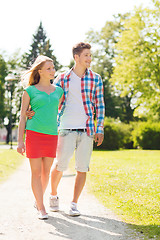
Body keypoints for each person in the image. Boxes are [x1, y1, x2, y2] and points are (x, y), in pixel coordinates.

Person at [49, 42, 105, 216]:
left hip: (87, 129)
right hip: (66, 128)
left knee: (82, 168)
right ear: (77, 57)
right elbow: (51, 100)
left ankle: (74, 203)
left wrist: (100, 128)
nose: (89, 58)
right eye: (86, 55)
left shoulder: (95, 78)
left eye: (90, 55)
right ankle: (53, 195)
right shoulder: (62, 78)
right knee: (60, 165)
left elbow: (100, 105)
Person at [17, 55, 63, 220]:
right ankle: (41, 207)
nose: (53, 71)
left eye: (53, 67)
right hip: (34, 134)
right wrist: (20, 141)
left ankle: (38, 201)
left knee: (46, 173)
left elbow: (57, 110)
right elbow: (23, 117)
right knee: (36, 173)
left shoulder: (59, 91)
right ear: (40, 71)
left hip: (52, 135)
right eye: (49, 68)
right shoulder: (29, 91)